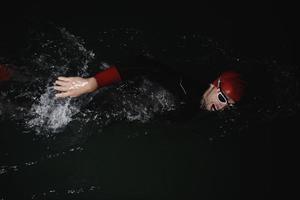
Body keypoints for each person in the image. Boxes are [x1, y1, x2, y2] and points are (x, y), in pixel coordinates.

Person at [53, 55, 246, 114]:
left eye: (229, 105)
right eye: (222, 98)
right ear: (213, 85)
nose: (222, 106)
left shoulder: (198, 107)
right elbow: (143, 64)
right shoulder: (184, 88)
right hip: (117, 91)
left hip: (133, 104)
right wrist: (92, 83)